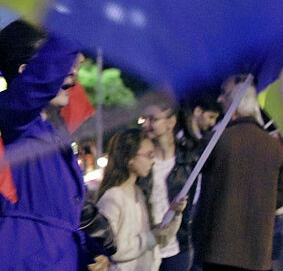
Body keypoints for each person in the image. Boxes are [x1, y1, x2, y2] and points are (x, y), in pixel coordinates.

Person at [0, 20, 101, 271]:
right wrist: (79, 17)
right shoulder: (2, 116)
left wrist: (86, 251)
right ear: (27, 72)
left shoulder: (52, 133)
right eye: (60, 66)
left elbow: (55, 222)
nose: (72, 73)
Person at [192, 74, 283, 271]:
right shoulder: (274, 146)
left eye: (224, 95)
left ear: (234, 105)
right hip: (257, 251)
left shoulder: (218, 141)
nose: (219, 100)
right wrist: (264, 203)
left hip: (218, 248)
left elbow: (195, 169)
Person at [97, 129, 185, 271]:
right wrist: (150, 238)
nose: (153, 161)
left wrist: (175, 213)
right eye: (149, 155)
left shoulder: (139, 193)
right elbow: (111, 249)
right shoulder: (112, 197)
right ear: (129, 159)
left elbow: (160, 239)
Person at [137, 92, 198, 270]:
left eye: (153, 119)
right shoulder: (140, 160)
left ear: (171, 122)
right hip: (145, 246)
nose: (146, 124)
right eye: (144, 119)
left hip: (177, 249)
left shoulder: (188, 158)